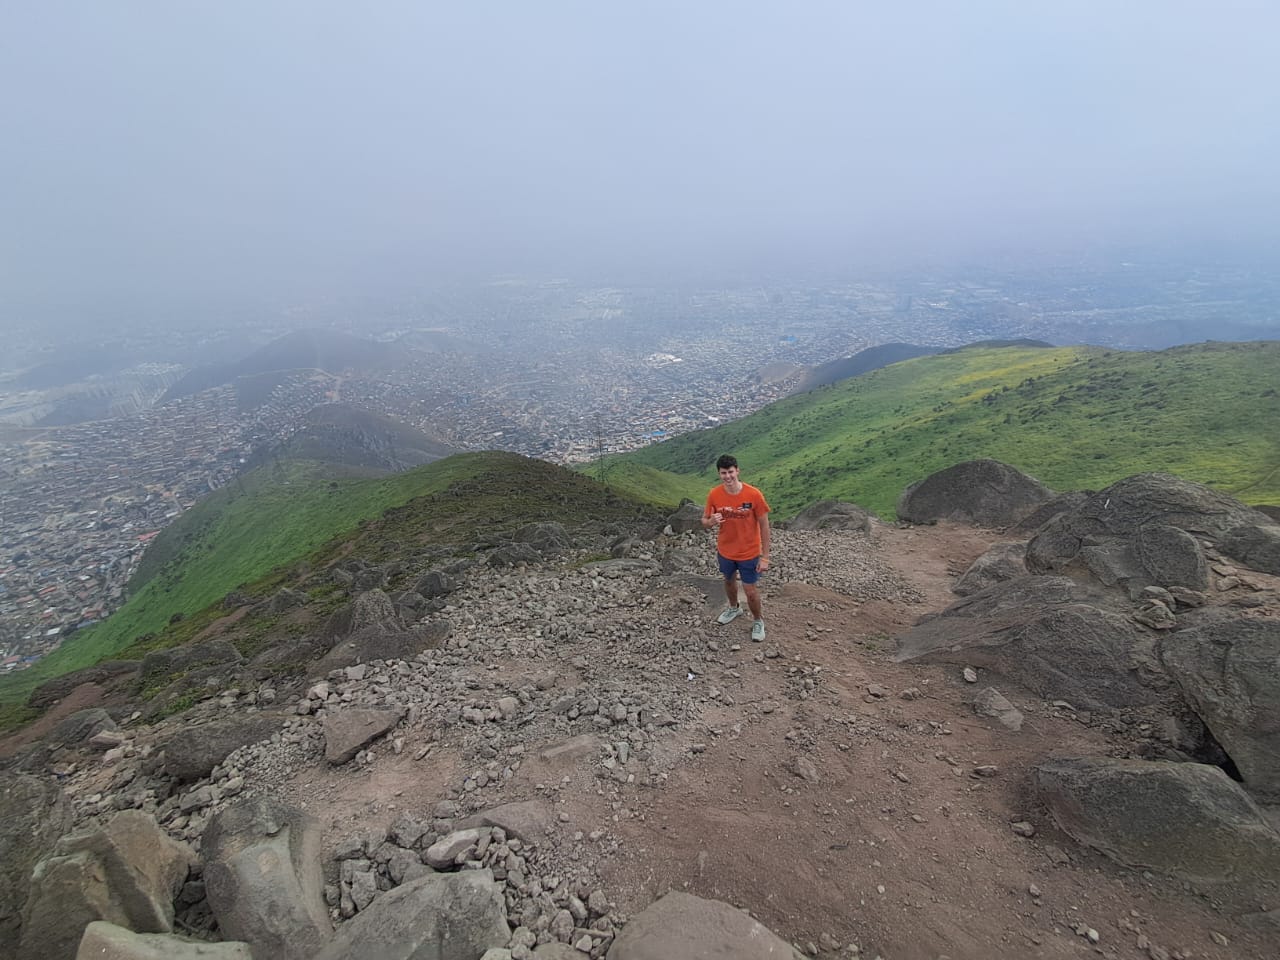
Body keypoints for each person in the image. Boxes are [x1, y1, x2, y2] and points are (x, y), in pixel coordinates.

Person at [702, 454, 771, 641]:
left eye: (730, 472)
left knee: (750, 590)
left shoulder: (754, 494)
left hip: (749, 552)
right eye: (723, 473)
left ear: (737, 471)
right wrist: (711, 521)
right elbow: (704, 521)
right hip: (725, 550)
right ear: (719, 474)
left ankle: (758, 620)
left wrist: (765, 557)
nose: (728, 476)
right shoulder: (714, 494)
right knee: (728, 581)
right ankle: (734, 608)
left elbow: (764, 526)